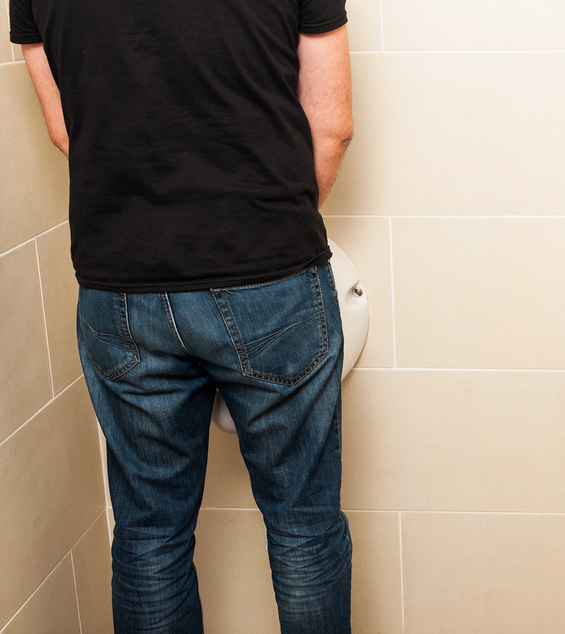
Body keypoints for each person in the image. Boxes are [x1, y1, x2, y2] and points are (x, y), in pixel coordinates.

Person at [9, 0, 354, 631]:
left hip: (121, 286)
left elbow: (67, 130)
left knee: (149, 534)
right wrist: (270, 228)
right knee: (304, 525)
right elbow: (331, 128)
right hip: (268, 275)